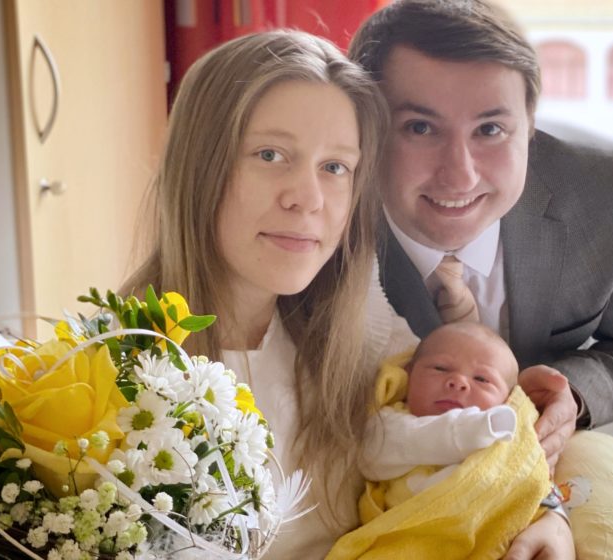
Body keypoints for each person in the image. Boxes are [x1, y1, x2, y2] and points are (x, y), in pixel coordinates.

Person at [122, 29, 572, 559]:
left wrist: (550, 511)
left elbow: (471, 425)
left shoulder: (363, 325)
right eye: (270, 154)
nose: (308, 199)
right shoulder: (117, 371)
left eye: (335, 167)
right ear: (200, 166)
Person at [348, 0, 613, 557]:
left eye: (491, 128)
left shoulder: (608, 195)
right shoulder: (317, 214)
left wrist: (572, 397)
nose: (459, 173)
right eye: (419, 127)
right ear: (365, 129)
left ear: (530, 125)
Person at [327, 321, 571, 559]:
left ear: (508, 400)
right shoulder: (391, 423)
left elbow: (531, 482)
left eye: (482, 379)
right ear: (409, 374)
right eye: (440, 368)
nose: (458, 382)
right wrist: (469, 431)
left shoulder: (510, 438)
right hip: (409, 539)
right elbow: (371, 458)